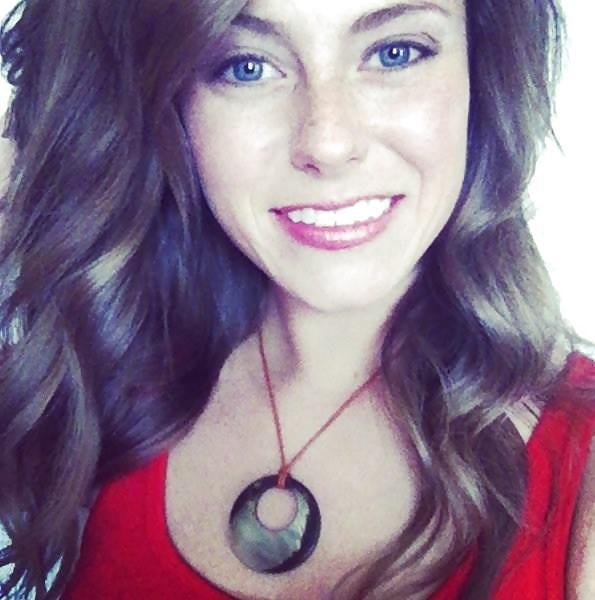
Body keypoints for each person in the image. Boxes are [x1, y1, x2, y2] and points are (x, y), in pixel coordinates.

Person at [0, 0, 594, 598]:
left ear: (480, 73)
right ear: (171, 105)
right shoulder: (98, 375)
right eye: (246, 67)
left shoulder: (581, 459)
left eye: (396, 53)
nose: (328, 144)